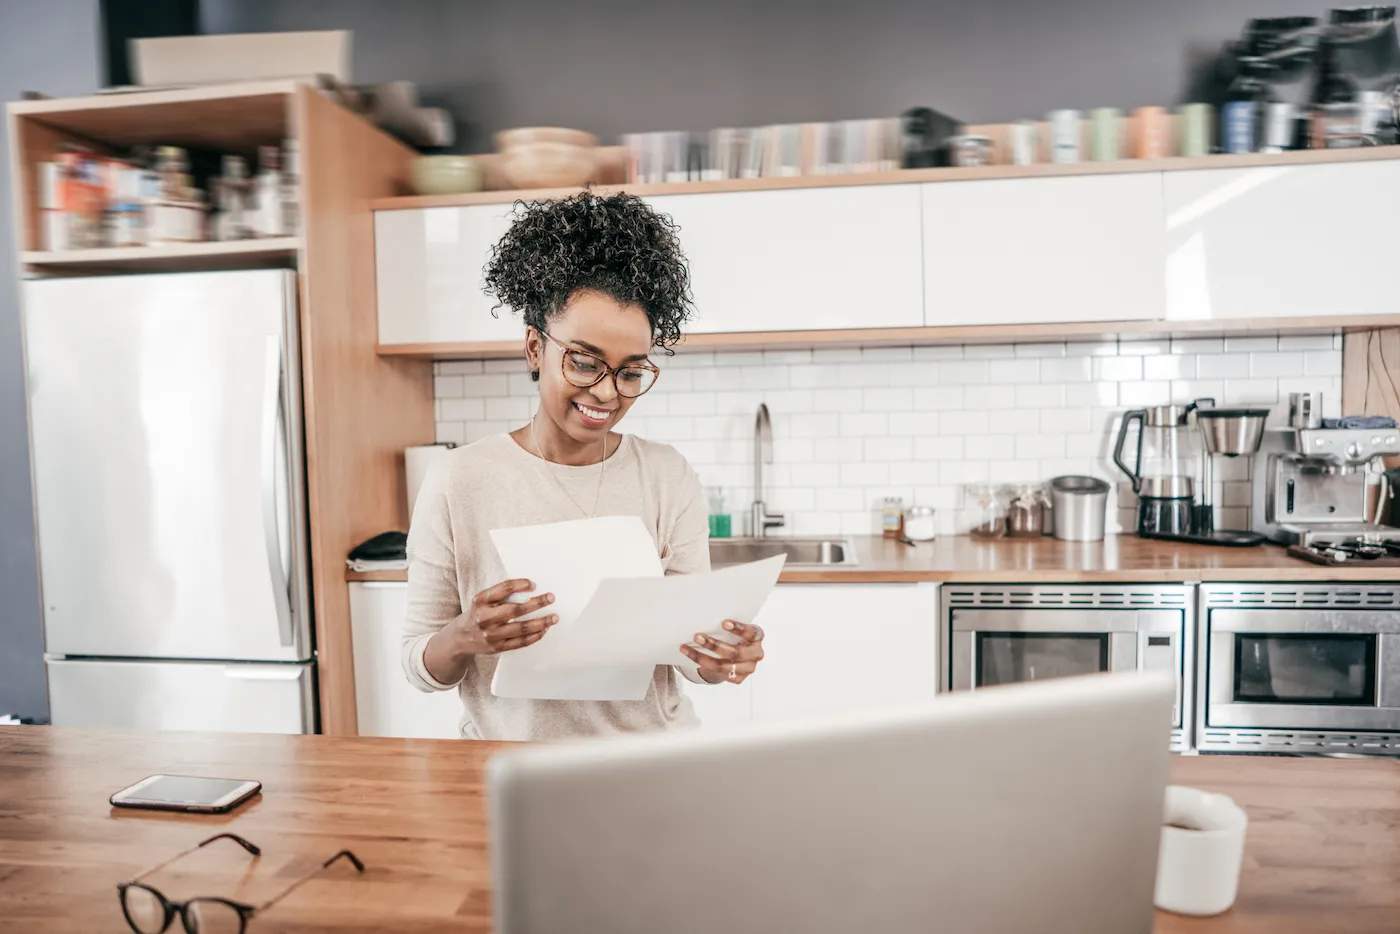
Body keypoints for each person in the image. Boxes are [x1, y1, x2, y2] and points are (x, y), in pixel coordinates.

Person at [401, 191, 766, 741]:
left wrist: (720, 658)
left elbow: (691, 655)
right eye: (585, 361)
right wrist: (465, 636)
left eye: (630, 371)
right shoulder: (460, 480)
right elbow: (419, 666)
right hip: (507, 768)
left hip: (652, 764)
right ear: (534, 348)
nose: (606, 392)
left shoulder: (666, 476)